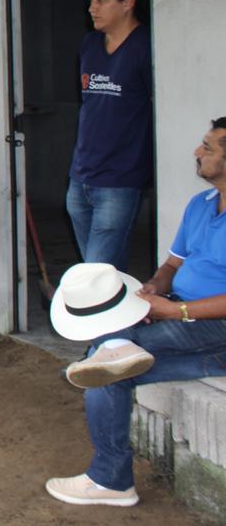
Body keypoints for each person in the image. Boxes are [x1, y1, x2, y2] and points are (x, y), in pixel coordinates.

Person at [46, 118, 226, 507]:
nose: (197, 152)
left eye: (208, 148)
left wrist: (176, 311)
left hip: (215, 327)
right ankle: (112, 480)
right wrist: (154, 290)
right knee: (109, 374)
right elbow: (173, 264)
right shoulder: (201, 204)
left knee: (107, 356)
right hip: (182, 314)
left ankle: (110, 477)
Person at [67, 0, 154, 271]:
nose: (92, 8)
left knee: (97, 271)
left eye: (101, 0)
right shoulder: (89, 44)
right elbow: (90, 106)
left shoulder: (147, 46)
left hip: (121, 178)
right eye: (91, 0)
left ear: (128, 2)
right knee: (101, 272)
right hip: (81, 175)